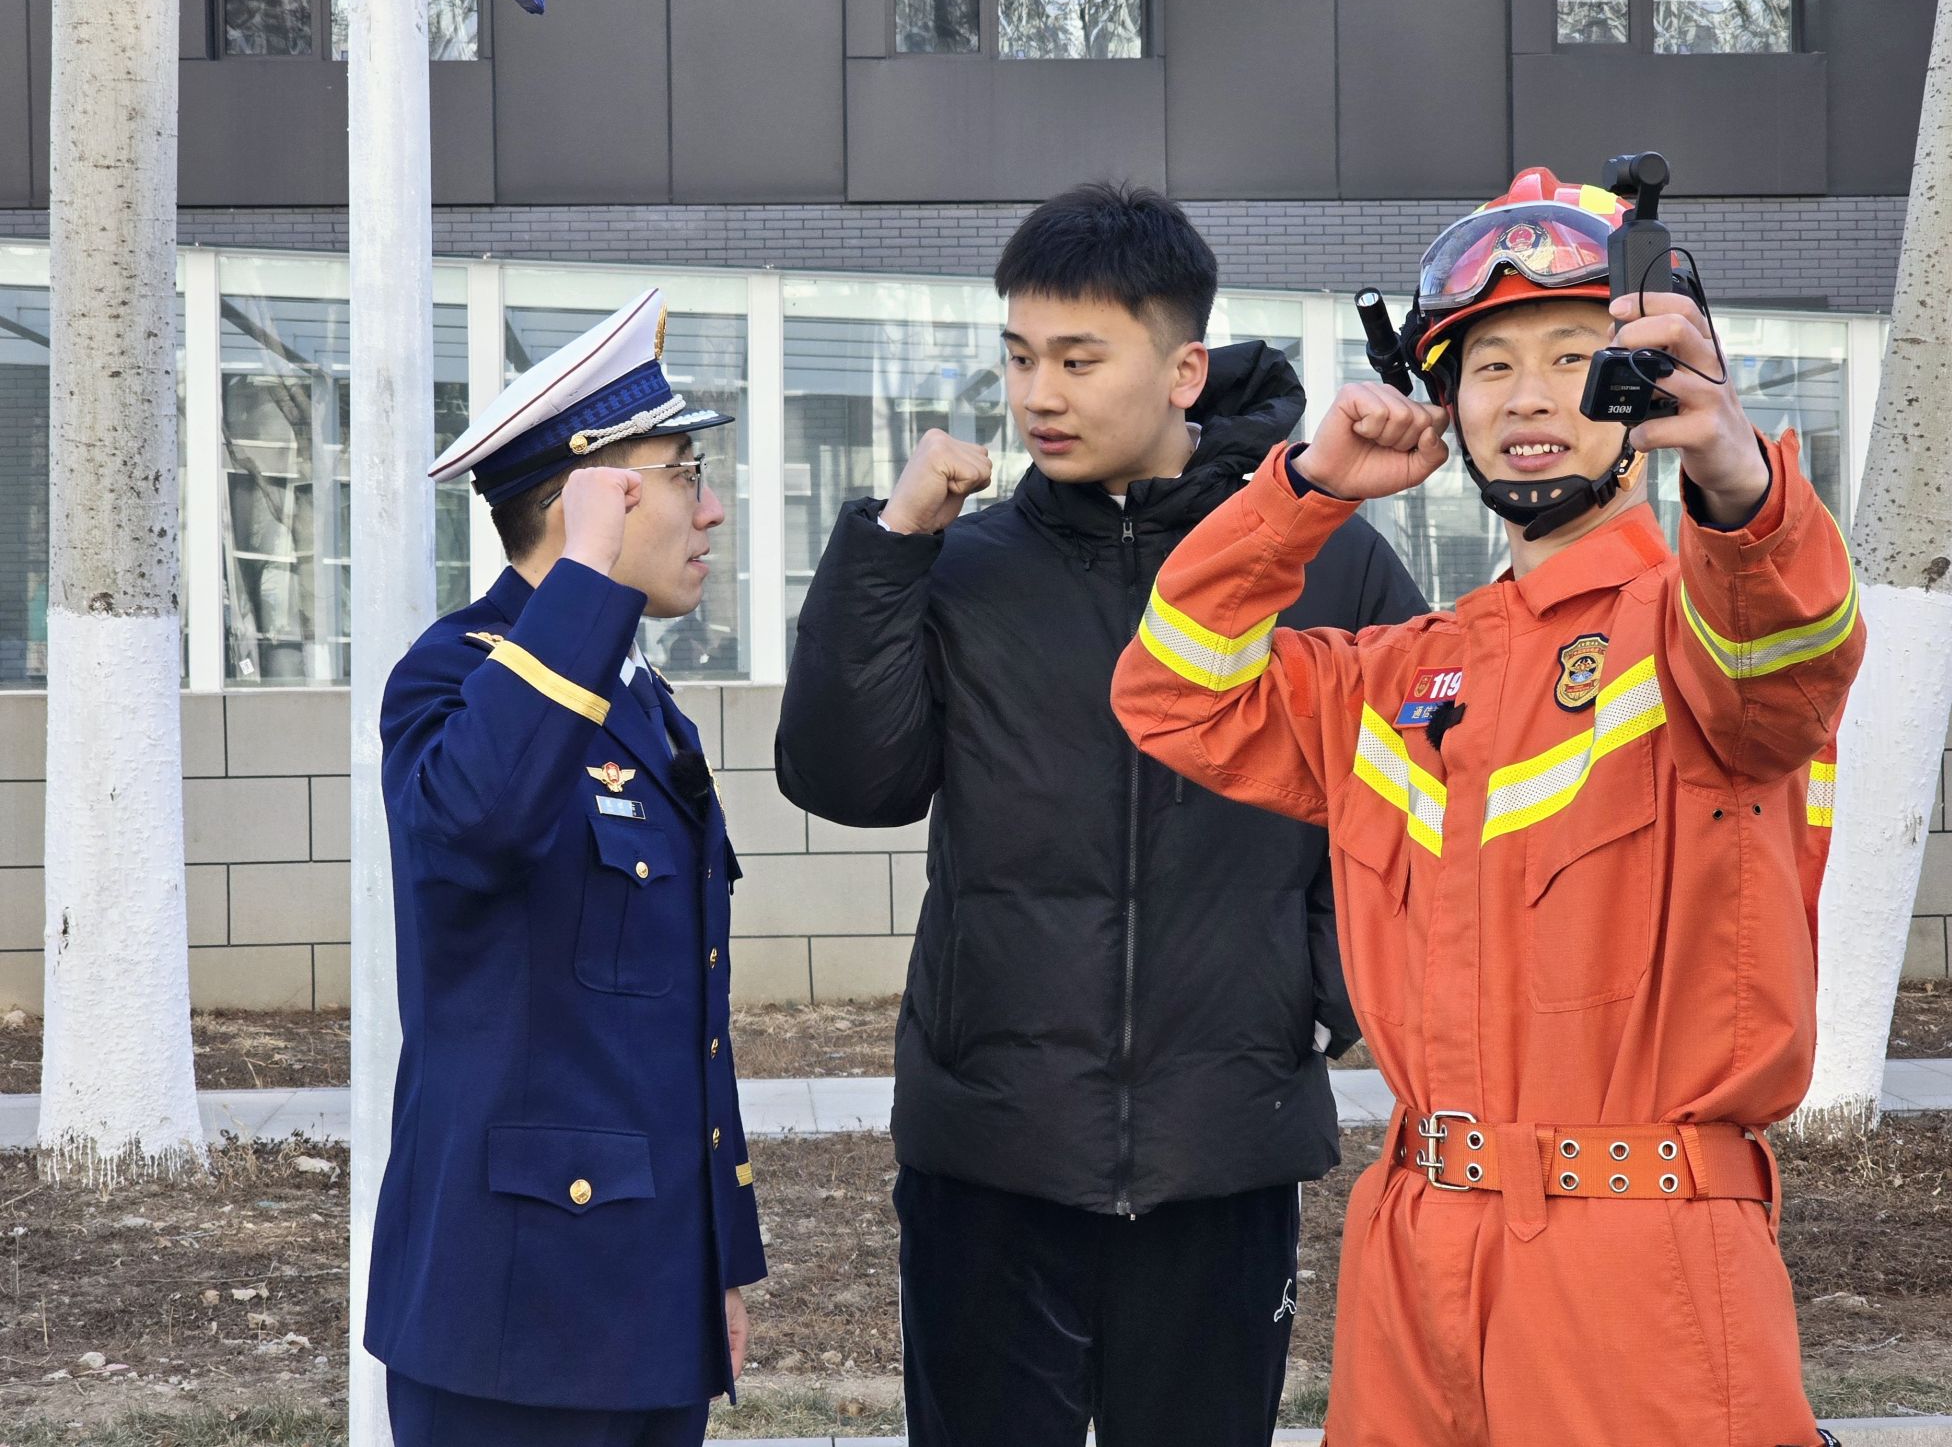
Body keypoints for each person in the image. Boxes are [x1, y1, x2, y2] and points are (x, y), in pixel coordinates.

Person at [1111, 167, 1864, 1447]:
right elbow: (1173, 691)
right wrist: (1303, 492)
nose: (1525, 397)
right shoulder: (1401, 674)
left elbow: (1783, 649)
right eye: (1487, 365)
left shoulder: (1703, 621)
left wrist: (1736, 480)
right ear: (1444, 403)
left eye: (1572, 357)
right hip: (1413, 1259)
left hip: (1639, 1269)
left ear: (1644, 385)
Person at [775, 182, 1427, 1447]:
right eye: (1019, 357)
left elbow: (1411, 810)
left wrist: (1314, 992)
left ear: (1182, 370)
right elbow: (848, 782)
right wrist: (891, 544)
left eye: (1078, 360)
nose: (1039, 395)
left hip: (1218, 1154)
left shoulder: (1324, 561)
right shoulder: (966, 564)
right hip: (990, 1153)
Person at [365, 289, 767, 1447]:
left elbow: (683, 1024)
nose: (712, 508)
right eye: (683, 474)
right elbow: (477, 822)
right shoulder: (453, 678)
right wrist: (586, 575)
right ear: (593, 496)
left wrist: (719, 1261)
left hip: (649, 1295)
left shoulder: (641, 703)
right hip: (512, 1311)